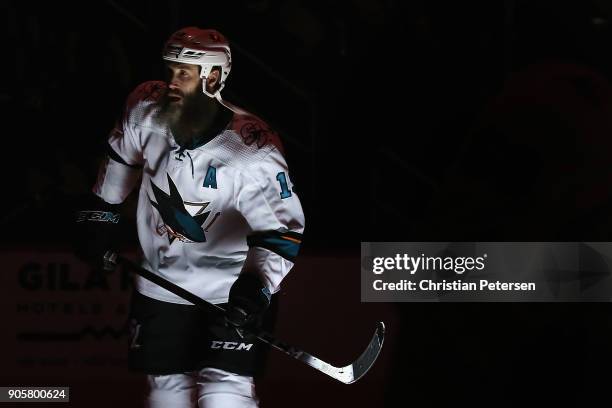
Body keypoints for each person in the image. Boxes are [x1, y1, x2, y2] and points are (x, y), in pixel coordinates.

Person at [73, 27, 305, 407]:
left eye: (184, 73)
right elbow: (121, 158)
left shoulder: (252, 151)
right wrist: (101, 214)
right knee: (165, 391)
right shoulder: (145, 109)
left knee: (226, 392)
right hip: (161, 282)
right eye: (171, 71)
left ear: (213, 77)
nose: (171, 82)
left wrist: (257, 288)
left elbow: (282, 230)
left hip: (231, 292)